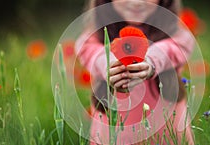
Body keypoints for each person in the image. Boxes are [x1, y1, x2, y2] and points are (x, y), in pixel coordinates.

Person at [75, 0, 195, 144]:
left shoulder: (177, 35)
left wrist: (150, 61)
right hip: (115, 135)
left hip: (167, 133)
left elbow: (172, 48)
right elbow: (92, 52)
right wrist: (113, 63)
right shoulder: (95, 37)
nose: (136, 2)